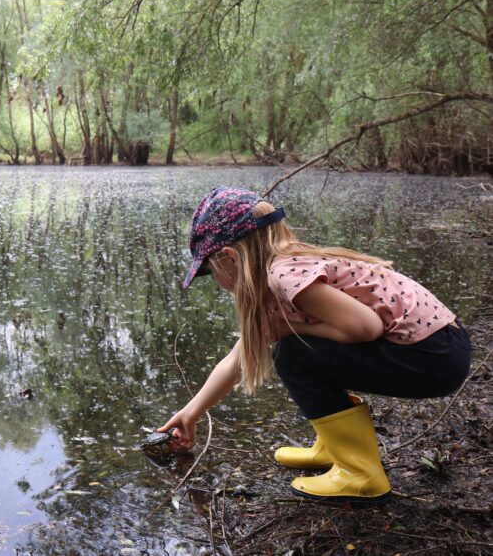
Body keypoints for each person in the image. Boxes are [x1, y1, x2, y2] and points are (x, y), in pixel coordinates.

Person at [158, 186, 471, 502]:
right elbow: (235, 360)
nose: (214, 280)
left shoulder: (286, 275)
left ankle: (360, 475)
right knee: (296, 347)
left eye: (210, 270)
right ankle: (335, 447)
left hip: (432, 357)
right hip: (436, 349)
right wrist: (191, 413)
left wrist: (289, 327)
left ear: (229, 257)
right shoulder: (282, 269)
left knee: (292, 353)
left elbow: (366, 327)